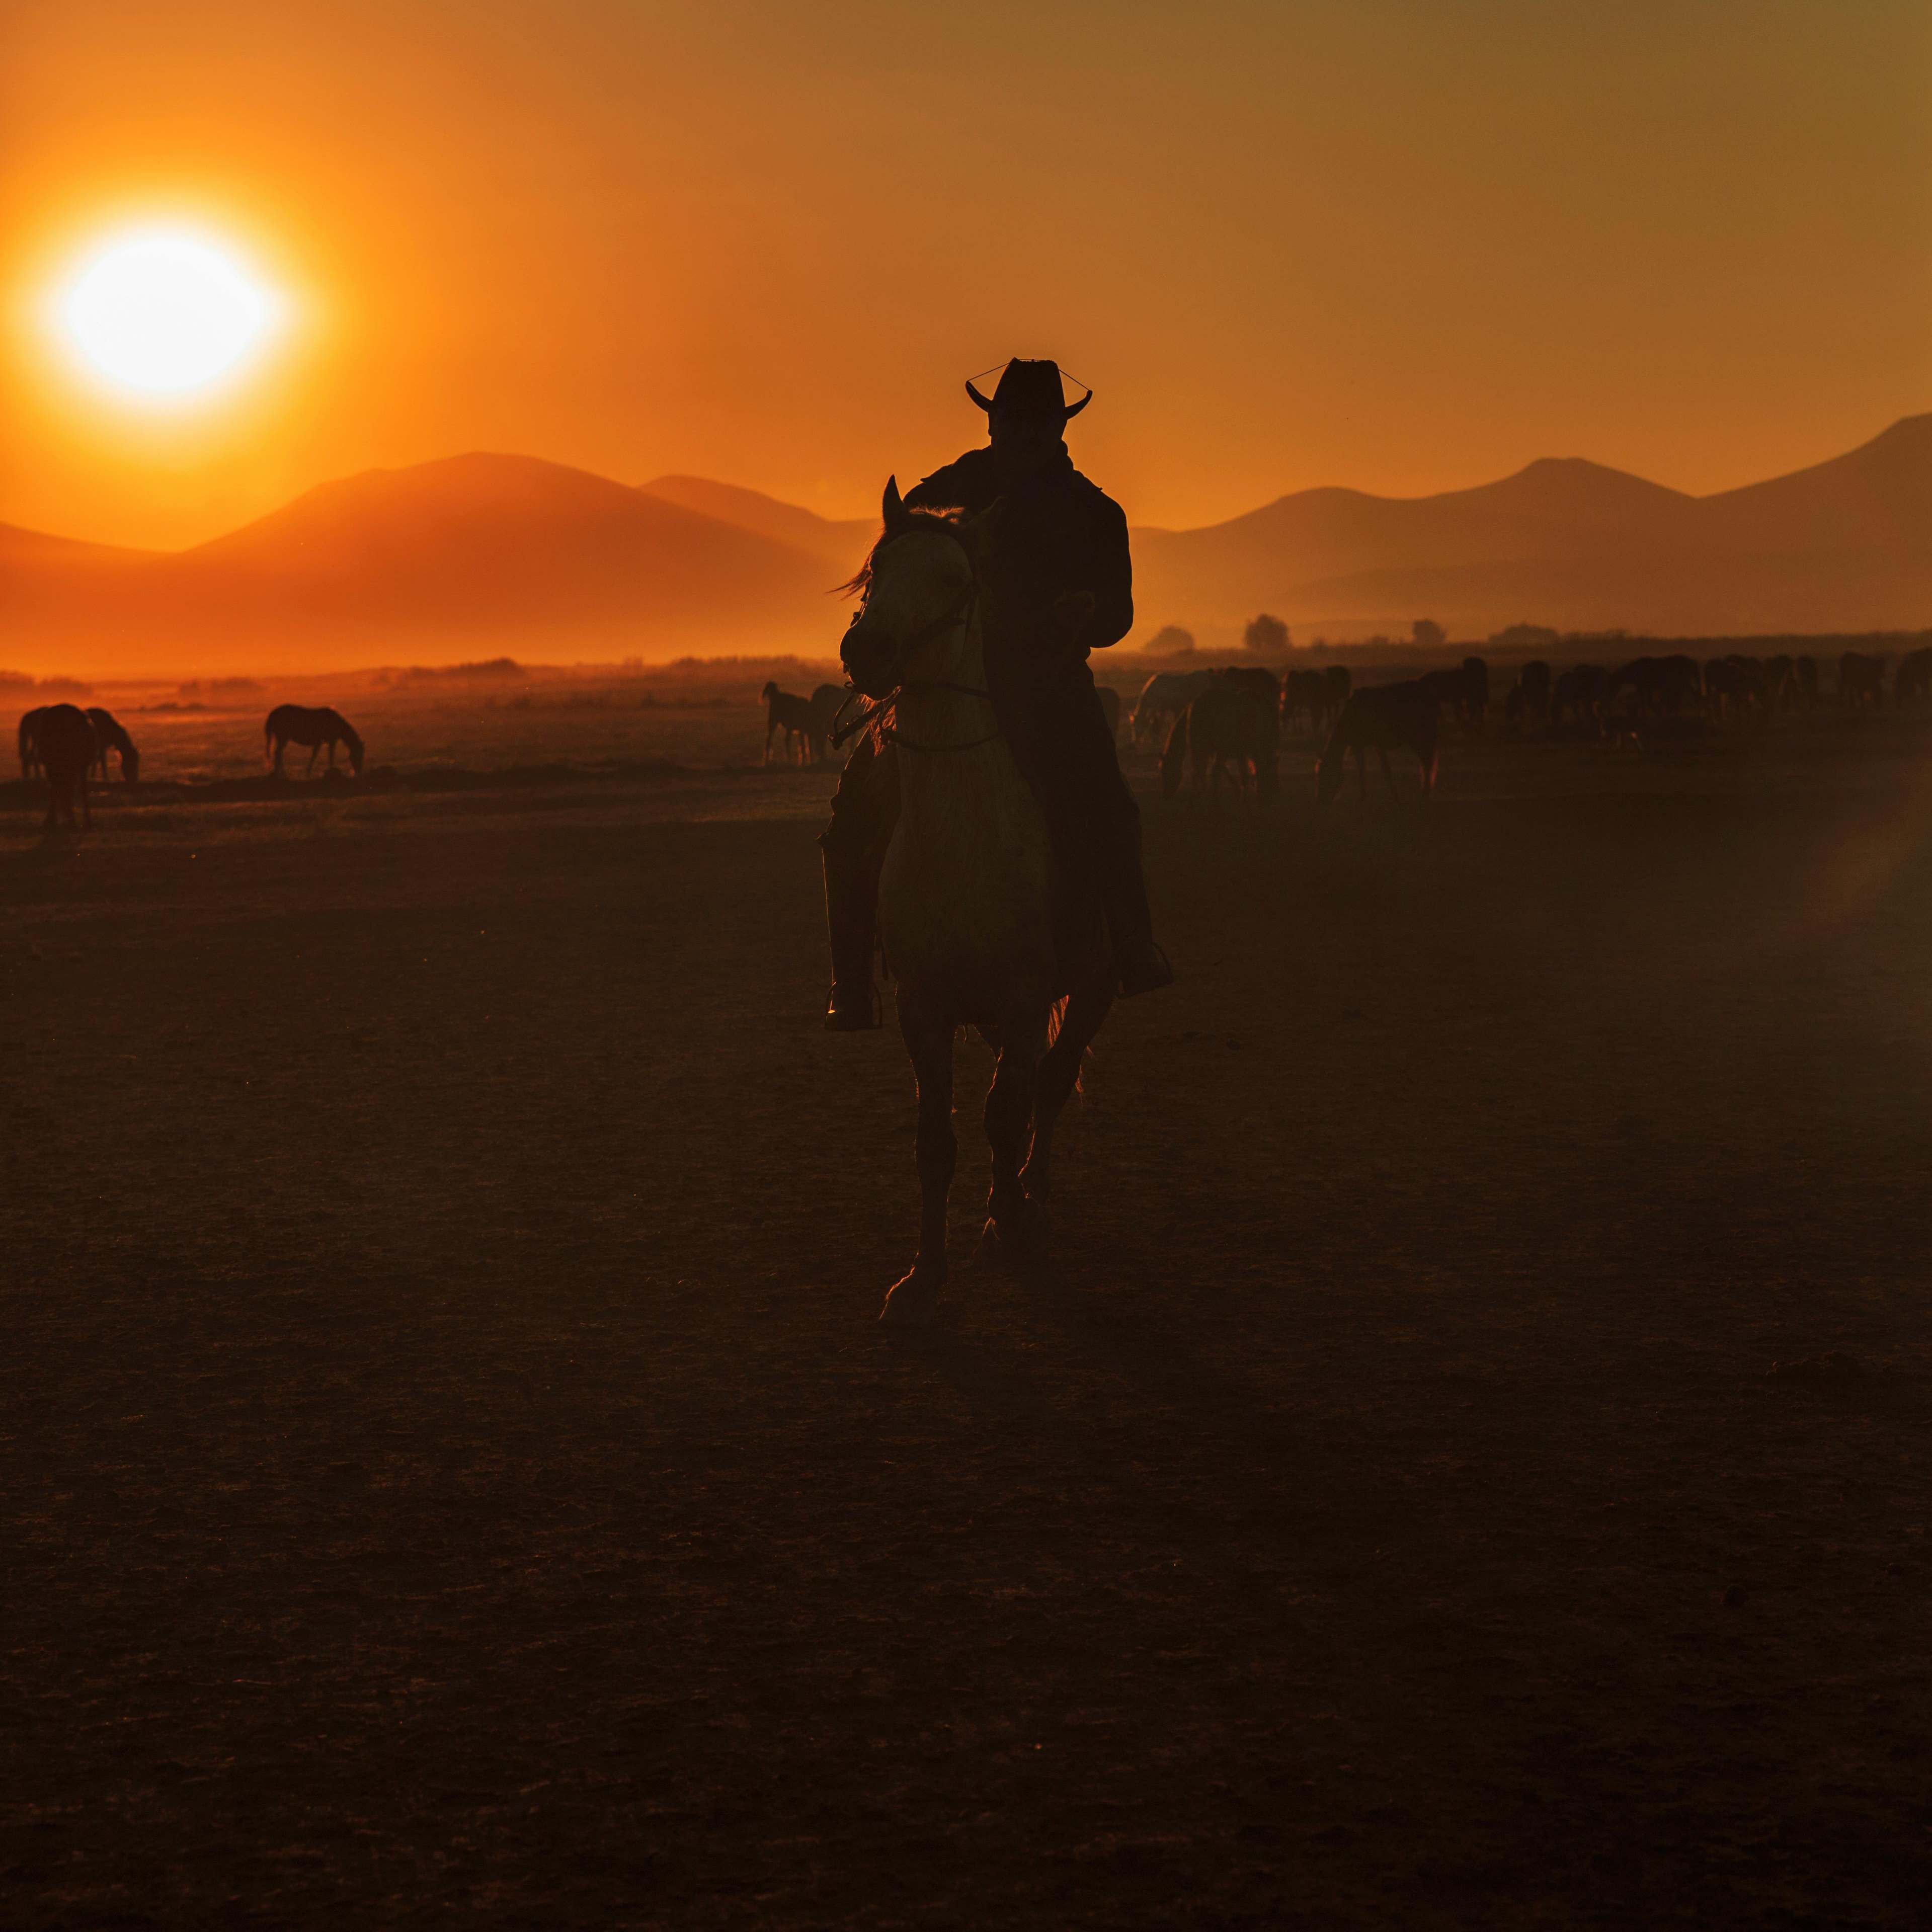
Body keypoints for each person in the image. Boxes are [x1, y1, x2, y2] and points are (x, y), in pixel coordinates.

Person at [819, 357, 1173, 1030]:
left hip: (1050, 688)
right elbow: (897, 569)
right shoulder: (944, 489)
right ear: (993, 420)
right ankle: (851, 978)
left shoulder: (1096, 513)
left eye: (1034, 423)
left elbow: (1120, 615)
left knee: (1108, 806)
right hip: (942, 687)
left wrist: (1086, 612)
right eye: (1009, 420)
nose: (1019, 432)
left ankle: (1131, 949)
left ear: (1056, 428)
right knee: (852, 816)